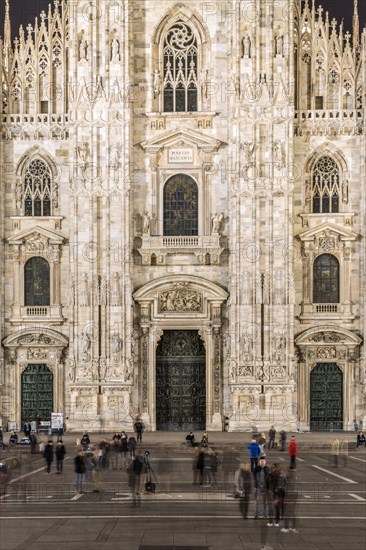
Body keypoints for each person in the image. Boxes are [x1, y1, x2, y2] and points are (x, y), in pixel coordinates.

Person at [267, 463, 286, 527]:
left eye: (273, 467)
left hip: (278, 493)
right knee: (271, 508)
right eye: (272, 468)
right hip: (273, 493)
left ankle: (276, 522)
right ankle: (271, 521)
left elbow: (283, 484)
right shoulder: (271, 475)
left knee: (276, 508)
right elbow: (268, 483)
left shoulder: (281, 475)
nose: (272, 469)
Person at [281, 468, 298, 533]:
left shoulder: (289, 480)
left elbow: (287, 489)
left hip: (289, 497)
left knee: (287, 512)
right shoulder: (292, 479)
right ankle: (293, 527)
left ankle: (286, 527)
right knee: (291, 512)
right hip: (292, 497)